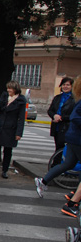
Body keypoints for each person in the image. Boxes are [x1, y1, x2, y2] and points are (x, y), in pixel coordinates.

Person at [36, 76, 81, 215]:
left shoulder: (77, 99)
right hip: (77, 138)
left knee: (67, 164)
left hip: (73, 137)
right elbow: (75, 117)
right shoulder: (73, 100)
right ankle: (72, 203)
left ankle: (44, 181)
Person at [0, 80, 26, 178]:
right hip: (0, 126)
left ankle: (4, 171)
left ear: (15, 89)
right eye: (7, 88)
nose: (8, 90)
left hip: (11, 128)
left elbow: (21, 118)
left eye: (10, 88)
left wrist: (19, 133)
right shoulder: (4, 97)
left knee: (7, 151)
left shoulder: (21, 100)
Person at [48, 77, 75, 153]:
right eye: (63, 84)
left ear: (72, 86)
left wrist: (61, 117)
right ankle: (57, 163)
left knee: (62, 148)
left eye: (68, 85)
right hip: (56, 126)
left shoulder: (75, 99)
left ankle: (57, 163)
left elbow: (74, 114)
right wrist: (54, 116)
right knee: (58, 146)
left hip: (67, 127)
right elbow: (50, 110)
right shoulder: (57, 98)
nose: (65, 86)